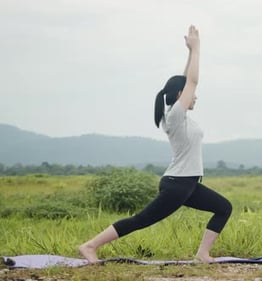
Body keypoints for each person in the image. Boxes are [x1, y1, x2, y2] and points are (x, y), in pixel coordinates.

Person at [79, 25, 232, 264]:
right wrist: (198, 48)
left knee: (223, 207)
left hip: (189, 183)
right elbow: (192, 80)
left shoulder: (177, 115)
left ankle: (203, 254)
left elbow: (187, 80)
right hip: (177, 185)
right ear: (181, 94)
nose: (196, 96)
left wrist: (189, 53)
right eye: (191, 93)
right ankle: (90, 245)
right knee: (141, 220)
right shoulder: (174, 116)